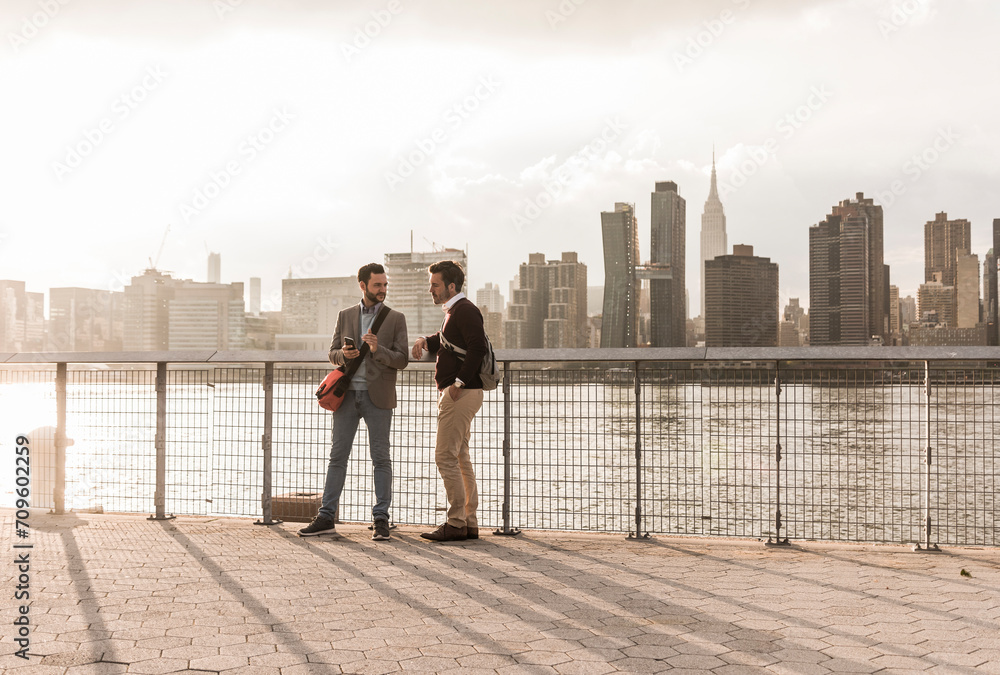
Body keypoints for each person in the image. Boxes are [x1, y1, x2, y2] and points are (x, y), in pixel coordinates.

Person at [299, 263, 408, 541]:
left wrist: (377, 349)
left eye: (385, 285)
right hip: (346, 396)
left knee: (381, 459)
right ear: (363, 285)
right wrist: (344, 355)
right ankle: (326, 517)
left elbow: (402, 359)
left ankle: (381, 519)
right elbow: (332, 353)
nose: (382, 290)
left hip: (379, 398)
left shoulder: (396, 318)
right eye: (377, 285)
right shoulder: (345, 315)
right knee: (337, 458)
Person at [411, 260, 488, 542]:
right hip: (464, 393)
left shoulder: (465, 310)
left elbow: (477, 346)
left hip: (460, 394)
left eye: (435, 284)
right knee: (460, 457)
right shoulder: (455, 312)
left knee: (445, 456)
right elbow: (450, 341)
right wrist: (425, 340)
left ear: (450, 286)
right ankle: (468, 522)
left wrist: (458, 383)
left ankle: (455, 522)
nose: (430, 289)